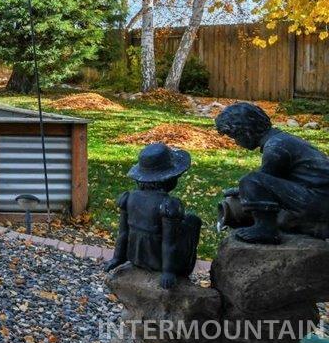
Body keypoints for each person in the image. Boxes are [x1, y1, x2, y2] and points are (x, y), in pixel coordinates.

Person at [215, 102, 329, 243]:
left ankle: (265, 229)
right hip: (318, 196)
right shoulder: (283, 139)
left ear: (247, 131)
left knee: (250, 180)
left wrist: (243, 190)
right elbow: (273, 183)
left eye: (235, 136)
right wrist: (241, 191)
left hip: (319, 200)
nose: (237, 143)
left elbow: (261, 183)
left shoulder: (276, 147)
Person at [104, 143, 203, 289]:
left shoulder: (128, 198)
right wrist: (168, 272)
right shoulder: (168, 204)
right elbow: (169, 242)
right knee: (193, 221)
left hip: (135, 257)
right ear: (169, 179)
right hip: (158, 261)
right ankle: (176, 268)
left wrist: (117, 258)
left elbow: (123, 233)